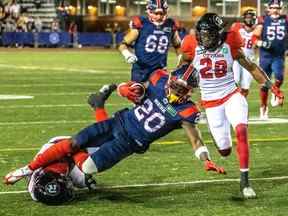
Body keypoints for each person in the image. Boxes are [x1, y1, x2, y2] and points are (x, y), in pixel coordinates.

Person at [4, 65, 226, 199]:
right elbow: (129, 88)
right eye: (175, 85)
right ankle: (26, 170)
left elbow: (196, 140)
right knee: (73, 143)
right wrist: (125, 88)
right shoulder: (158, 79)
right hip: (118, 122)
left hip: (129, 143)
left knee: (86, 167)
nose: (176, 91)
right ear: (169, 79)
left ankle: (82, 130)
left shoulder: (187, 111)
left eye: (182, 89)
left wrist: (206, 159)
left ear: (190, 91)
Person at [179, 13, 284, 198]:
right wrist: (181, 88)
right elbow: (181, 72)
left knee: (242, 131)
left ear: (219, 33)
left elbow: (251, 67)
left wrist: (272, 87)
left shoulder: (230, 43)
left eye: (210, 34)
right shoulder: (191, 45)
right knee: (225, 151)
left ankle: (245, 182)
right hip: (211, 103)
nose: (206, 38)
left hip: (231, 95)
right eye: (203, 34)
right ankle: (224, 128)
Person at [3, 84, 117, 205]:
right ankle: (102, 107)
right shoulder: (40, 193)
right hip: (63, 166)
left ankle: (98, 105)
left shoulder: (54, 168)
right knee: (91, 173)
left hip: (60, 147)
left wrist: (27, 169)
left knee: (107, 143)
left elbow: (63, 146)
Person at [118, 0, 182, 82]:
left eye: (161, 13)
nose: (159, 17)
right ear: (149, 11)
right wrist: (127, 55)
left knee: (160, 94)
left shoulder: (170, 25)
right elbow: (123, 44)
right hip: (141, 70)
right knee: (137, 93)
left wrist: (181, 59)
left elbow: (178, 45)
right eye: (156, 13)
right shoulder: (141, 24)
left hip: (160, 71)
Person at [252, 0, 288, 119]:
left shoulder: (286, 19)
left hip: (279, 55)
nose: (275, 9)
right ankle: (263, 107)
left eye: (277, 7)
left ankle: (275, 92)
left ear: (281, 8)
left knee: (279, 77)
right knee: (264, 83)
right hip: (265, 56)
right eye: (273, 7)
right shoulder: (263, 20)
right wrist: (262, 43)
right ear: (269, 8)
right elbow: (254, 38)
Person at [231, 9, 257, 97]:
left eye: (251, 18)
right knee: (235, 81)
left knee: (245, 86)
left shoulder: (258, 30)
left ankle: (242, 103)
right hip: (237, 59)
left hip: (249, 61)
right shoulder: (237, 27)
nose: (249, 20)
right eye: (247, 18)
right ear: (244, 18)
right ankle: (230, 101)